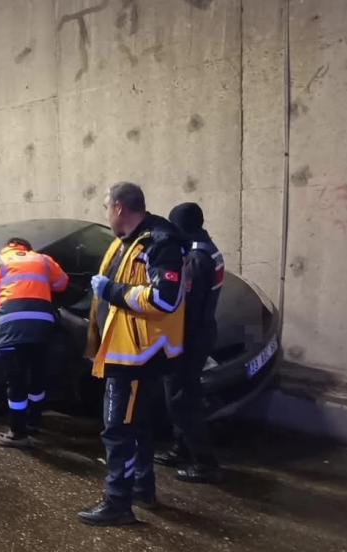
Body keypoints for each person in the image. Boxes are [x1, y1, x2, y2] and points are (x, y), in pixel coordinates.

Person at [78, 182, 186, 526]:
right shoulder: (129, 240)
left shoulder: (160, 243)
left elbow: (165, 299)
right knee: (135, 426)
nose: (106, 213)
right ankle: (141, 488)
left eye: (106, 206)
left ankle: (117, 503)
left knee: (118, 430)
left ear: (119, 208)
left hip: (137, 356)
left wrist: (112, 290)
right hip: (126, 351)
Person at [155, 203, 224, 484]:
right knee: (183, 393)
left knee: (181, 399)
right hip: (202, 330)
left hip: (189, 336)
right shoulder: (208, 248)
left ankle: (204, 462)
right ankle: (181, 448)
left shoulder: (195, 258)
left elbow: (187, 306)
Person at [0, 238, 68, 447]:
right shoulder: (43, 260)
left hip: (11, 331)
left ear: (7, 247)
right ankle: (34, 422)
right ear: (28, 248)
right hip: (41, 330)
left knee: (16, 382)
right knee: (37, 378)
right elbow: (62, 283)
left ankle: (17, 433)